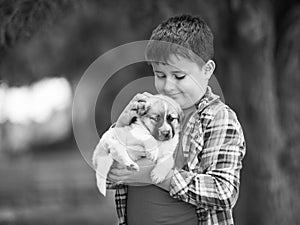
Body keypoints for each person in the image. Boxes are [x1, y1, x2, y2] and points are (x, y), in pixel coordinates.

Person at [104, 14, 246, 225]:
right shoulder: (147, 114)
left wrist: (154, 175)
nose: (168, 86)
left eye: (179, 76)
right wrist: (121, 126)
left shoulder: (218, 118)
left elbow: (224, 192)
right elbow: (108, 174)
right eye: (160, 75)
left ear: (207, 70)